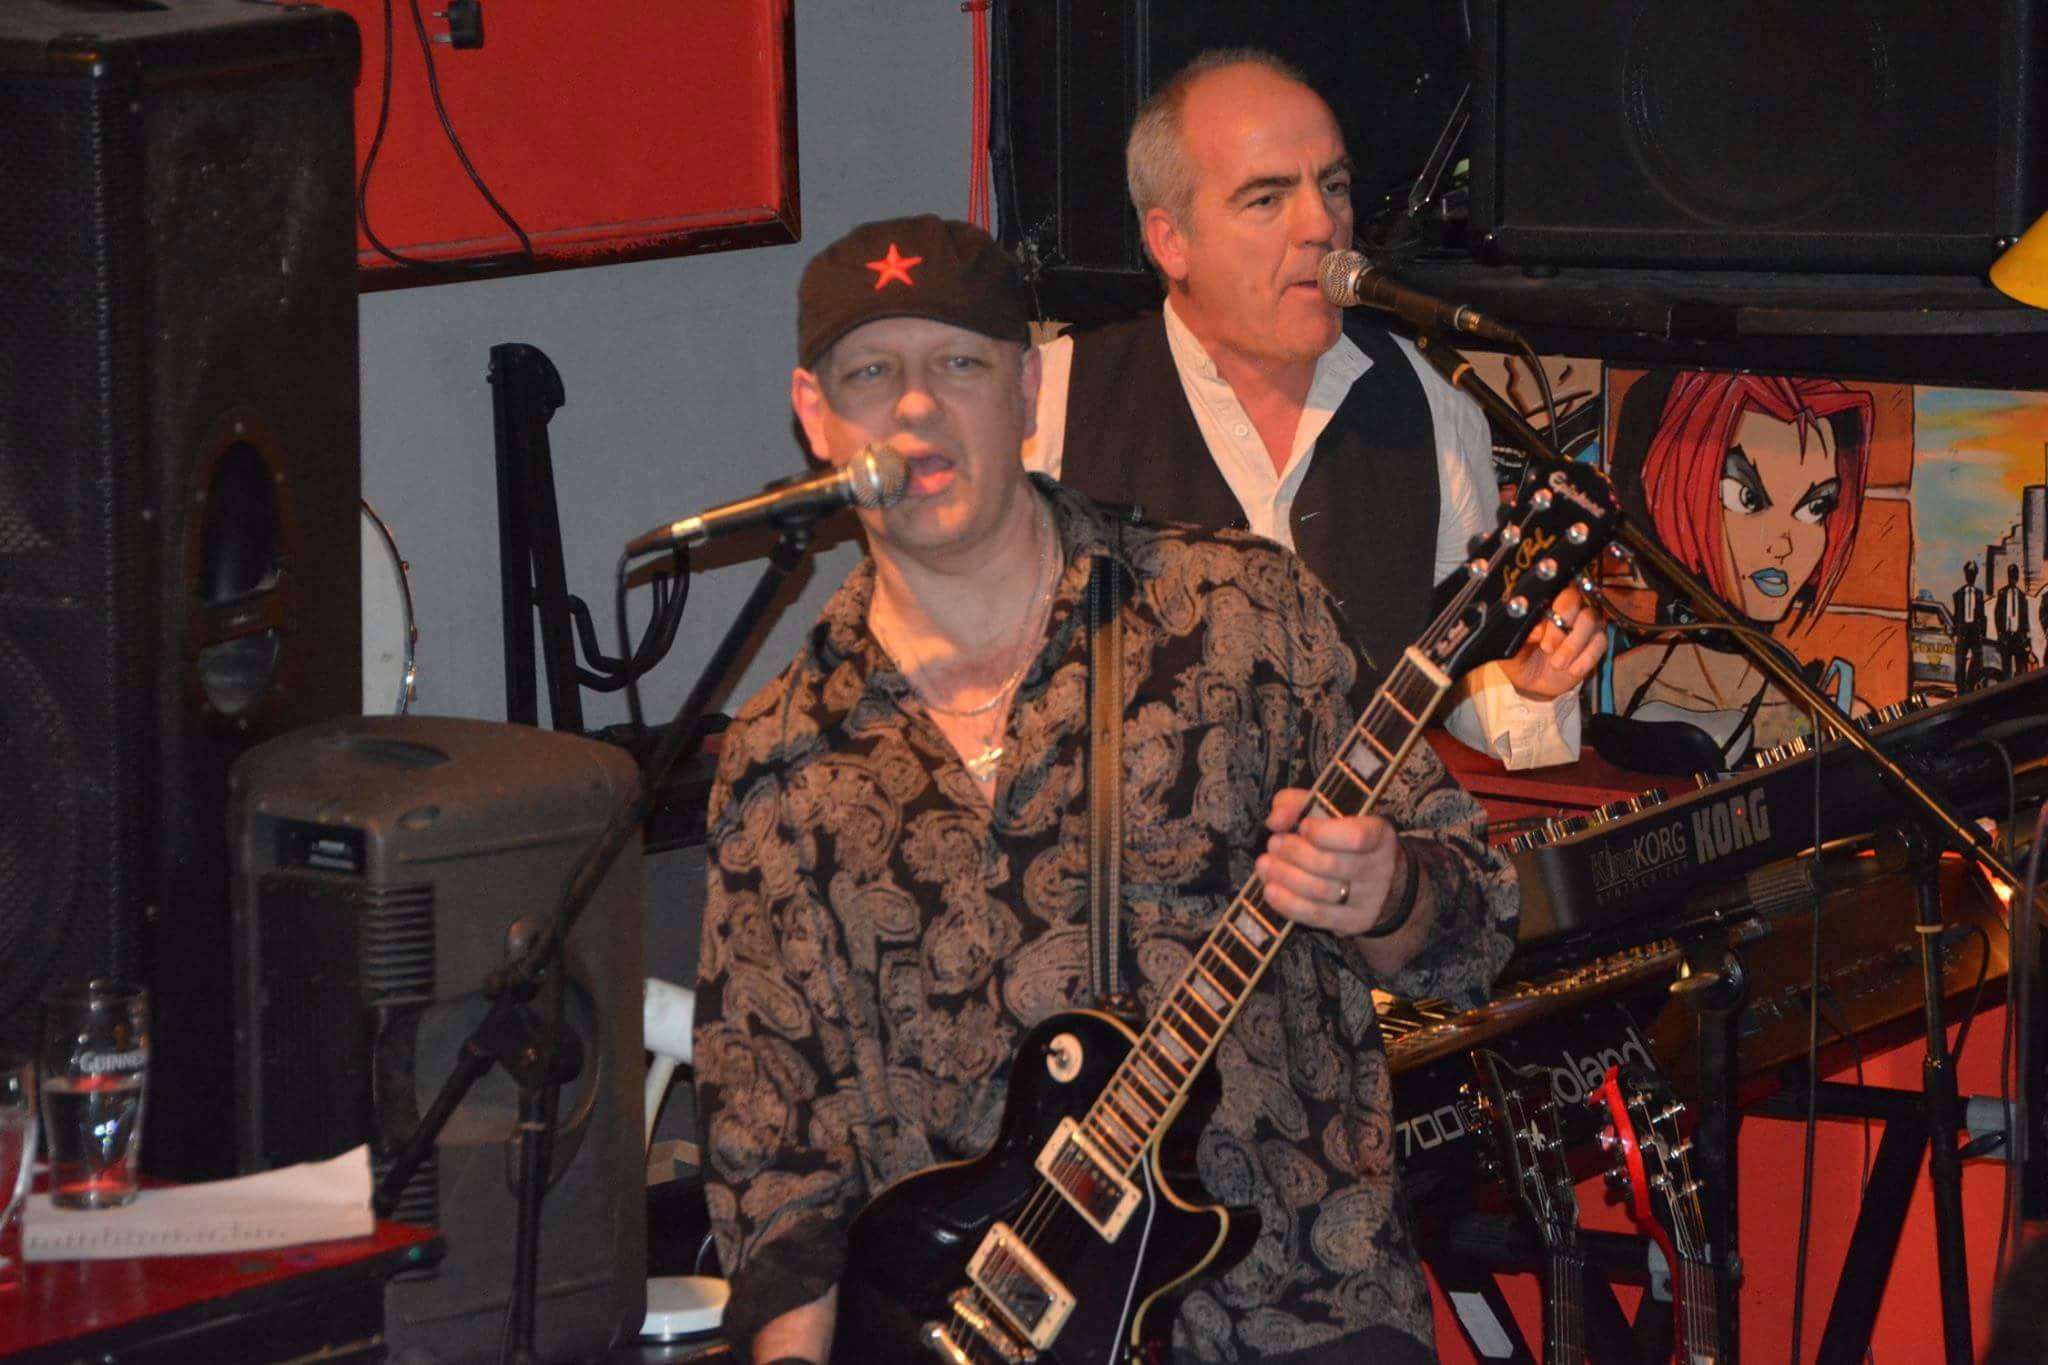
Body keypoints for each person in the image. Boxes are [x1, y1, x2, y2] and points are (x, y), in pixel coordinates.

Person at [693, 216, 1518, 1365]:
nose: (916, 408)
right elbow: (771, 1149)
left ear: (1026, 389)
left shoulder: (1237, 617)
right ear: (814, 415)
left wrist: (1388, 893)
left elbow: (1476, 933)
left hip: (1293, 1321)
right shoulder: (781, 756)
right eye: (871, 373)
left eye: (958, 364)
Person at [1023, 48, 1603, 771]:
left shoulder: (1431, 404)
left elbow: (1472, 700)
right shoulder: (1047, 405)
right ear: (1171, 241)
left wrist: (1533, 686)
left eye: (1333, 186)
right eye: (1267, 199)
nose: (1321, 224)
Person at [1598, 369, 1873, 765]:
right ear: (1668, 492)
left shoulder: (1830, 712)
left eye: (1814, 508)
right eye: (1747, 498)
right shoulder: (1612, 679)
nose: (1783, 545)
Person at [1954, 559, 1987, 693]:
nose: (1971, 577)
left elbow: (1982, 616)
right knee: (1960, 662)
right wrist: (1955, 633)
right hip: (1963, 630)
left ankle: (1970, 685)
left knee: (1977, 659)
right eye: (1969, 574)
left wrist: (1983, 634)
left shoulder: (1979, 594)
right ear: (1965, 575)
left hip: (1974, 630)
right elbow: (1956, 616)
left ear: (1975, 575)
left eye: (1973, 574)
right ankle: (1961, 691)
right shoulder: (1958, 594)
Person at [1994, 562, 2027, 682]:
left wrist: (2024, 635)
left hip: (2018, 636)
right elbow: (1997, 614)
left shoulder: (2021, 596)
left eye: (2014, 576)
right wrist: (2000, 633)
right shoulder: (2002, 593)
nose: (2012, 578)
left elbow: (2025, 616)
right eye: (2010, 575)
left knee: (2020, 668)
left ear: (2017, 577)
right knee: (2006, 668)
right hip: (2006, 636)